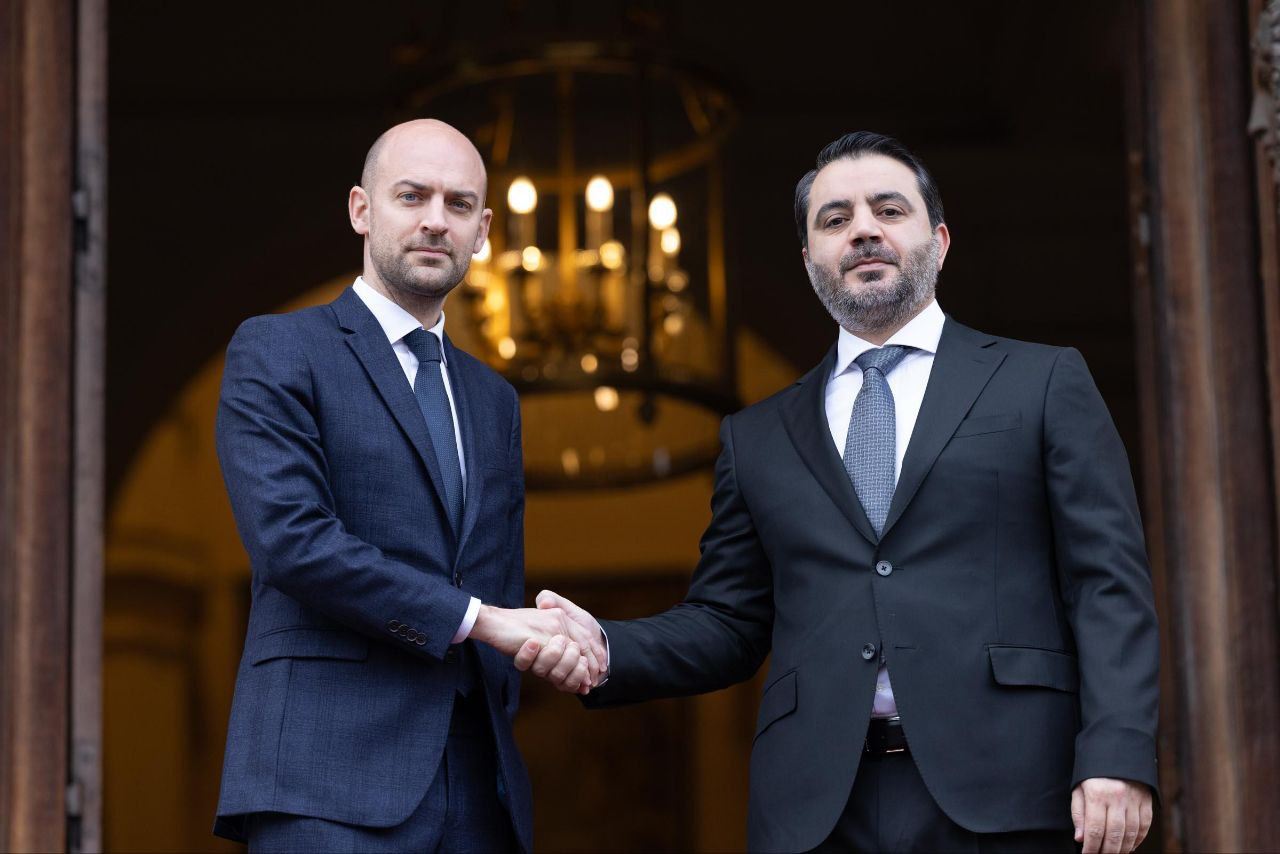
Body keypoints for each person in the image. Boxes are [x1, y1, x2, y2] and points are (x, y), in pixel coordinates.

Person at [525, 131, 1159, 853]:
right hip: (817, 810)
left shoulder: (1040, 381)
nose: (862, 229)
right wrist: (607, 647)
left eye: (889, 210)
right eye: (834, 220)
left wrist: (1116, 752)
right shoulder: (755, 436)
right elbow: (730, 621)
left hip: (1009, 790)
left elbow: (1107, 582)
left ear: (940, 240)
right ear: (808, 260)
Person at [212, 118, 604, 852]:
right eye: (411, 196)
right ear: (362, 209)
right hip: (323, 779)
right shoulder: (278, 350)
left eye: (458, 205)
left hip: (478, 786)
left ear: (484, 229)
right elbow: (293, 542)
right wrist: (483, 620)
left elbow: (496, 575)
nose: (435, 220)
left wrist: (549, 645)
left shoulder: (493, 400)